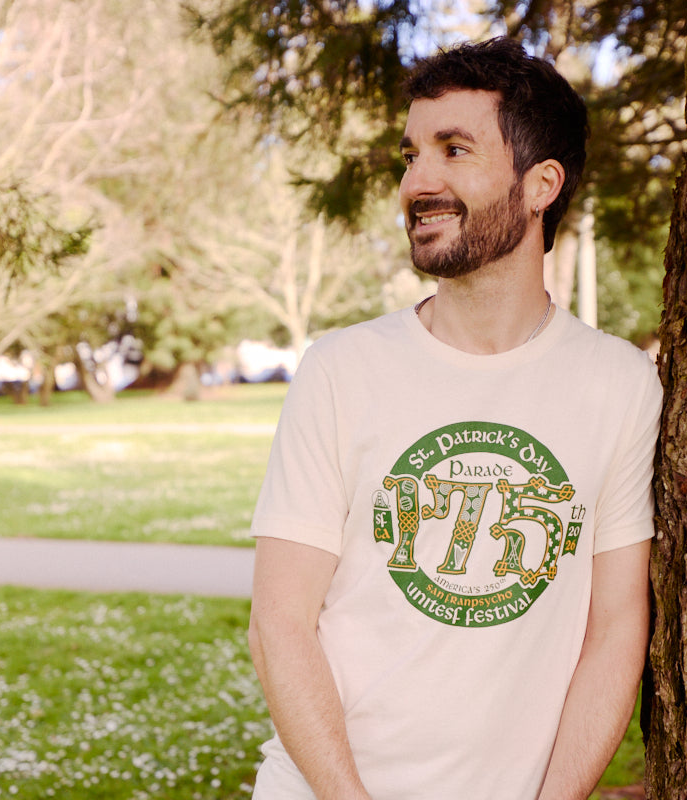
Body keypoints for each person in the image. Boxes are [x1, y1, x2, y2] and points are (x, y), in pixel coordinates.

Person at [248, 36, 662, 800]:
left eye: (453, 149)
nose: (418, 182)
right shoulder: (341, 370)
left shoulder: (619, 384)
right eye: (410, 156)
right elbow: (280, 626)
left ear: (541, 185)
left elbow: (613, 633)